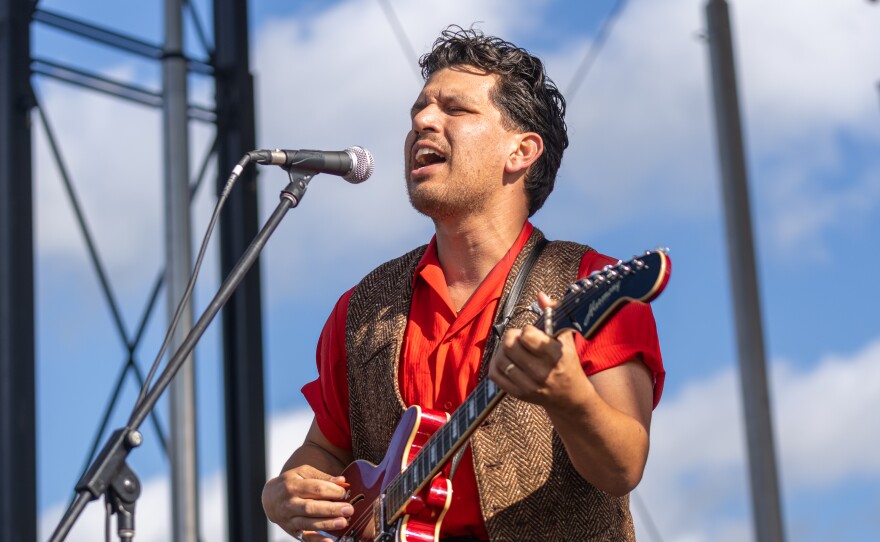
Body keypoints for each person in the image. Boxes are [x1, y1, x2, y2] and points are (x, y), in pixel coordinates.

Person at [262, 26, 664, 542]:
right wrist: (284, 493)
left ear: (521, 151)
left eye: (455, 109)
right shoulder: (361, 310)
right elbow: (323, 448)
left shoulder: (585, 282)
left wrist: (568, 395)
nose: (422, 121)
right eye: (420, 110)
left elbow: (623, 468)